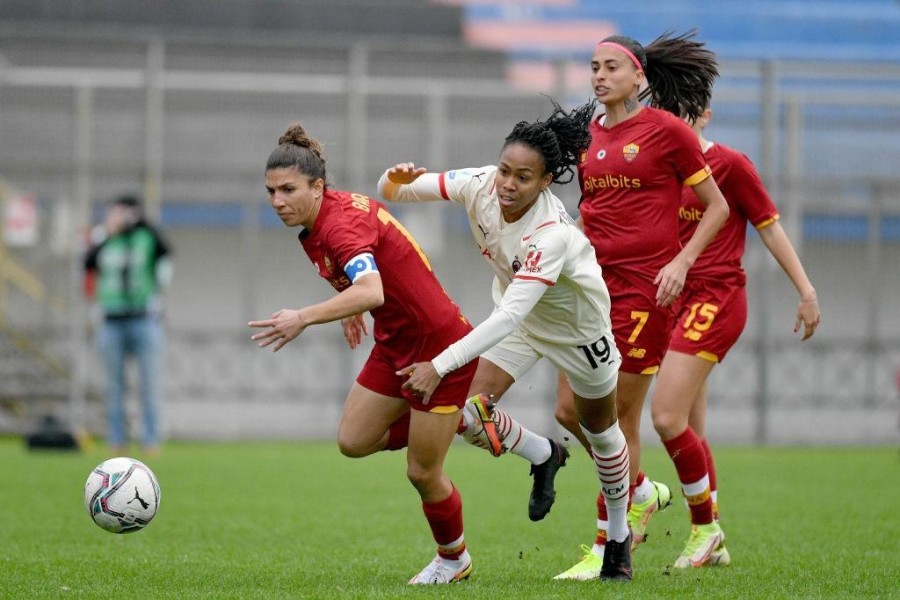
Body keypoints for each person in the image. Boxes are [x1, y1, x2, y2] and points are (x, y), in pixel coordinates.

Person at [378, 99, 635, 581]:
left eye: (523, 177)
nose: (508, 185)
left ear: (545, 182)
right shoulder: (479, 185)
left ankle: (618, 538)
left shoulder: (551, 234)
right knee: (463, 413)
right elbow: (402, 191)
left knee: (602, 433)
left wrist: (440, 364)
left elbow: (509, 312)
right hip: (522, 323)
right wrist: (392, 180)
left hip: (578, 333)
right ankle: (544, 454)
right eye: (504, 171)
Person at [248, 124, 478, 585]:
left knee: (422, 471)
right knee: (353, 440)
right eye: (271, 191)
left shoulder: (337, 224)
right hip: (395, 340)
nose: (277, 200)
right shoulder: (320, 218)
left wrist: (305, 317)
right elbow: (366, 279)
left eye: (287, 190)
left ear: (318, 187)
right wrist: (347, 303)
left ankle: (453, 559)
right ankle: (464, 419)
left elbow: (370, 288)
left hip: (439, 347)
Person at [551, 31, 730, 579]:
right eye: (593, 66)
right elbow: (594, 212)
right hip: (590, 291)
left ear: (639, 78)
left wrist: (680, 263)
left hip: (644, 294)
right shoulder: (584, 136)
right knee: (568, 412)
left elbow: (717, 207)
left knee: (615, 415)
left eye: (611, 66)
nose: (599, 75)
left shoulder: (667, 132)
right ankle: (639, 490)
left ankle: (608, 547)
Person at [651, 101, 821, 566]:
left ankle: (706, 530)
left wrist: (806, 291)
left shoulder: (729, 165)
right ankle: (710, 535)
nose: (675, 124)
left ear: (704, 115)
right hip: (673, 303)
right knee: (690, 426)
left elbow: (770, 230)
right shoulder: (662, 169)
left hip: (716, 298)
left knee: (665, 417)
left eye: (684, 114)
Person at [84, 194, 172, 455]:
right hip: (111, 320)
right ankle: (117, 439)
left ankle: (150, 439)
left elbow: (165, 249)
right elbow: (88, 262)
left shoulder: (146, 236)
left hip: (143, 318)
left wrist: (138, 221)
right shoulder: (104, 238)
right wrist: (109, 233)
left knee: (149, 382)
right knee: (114, 385)